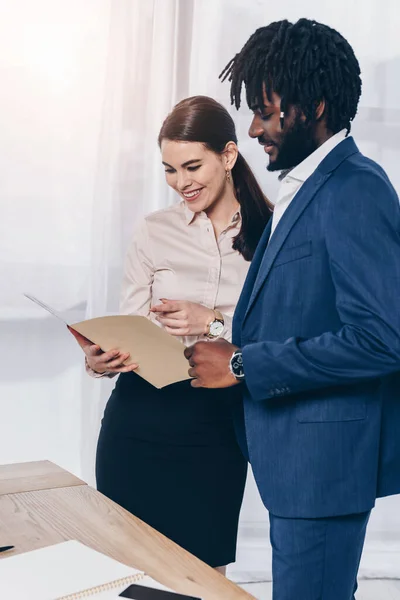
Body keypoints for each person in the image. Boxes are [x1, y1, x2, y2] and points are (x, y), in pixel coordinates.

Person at [184, 19, 400, 599]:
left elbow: (382, 338)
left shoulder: (355, 188)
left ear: (316, 105)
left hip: (323, 469)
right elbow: (301, 312)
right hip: (296, 464)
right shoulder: (303, 186)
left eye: (264, 110)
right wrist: (215, 331)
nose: (253, 128)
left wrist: (242, 365)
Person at [70, 95, 272, 571]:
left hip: (216, 425)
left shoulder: (272, 232)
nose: (181, 183)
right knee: (130, 573)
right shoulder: (153, 231)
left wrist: (213, 323)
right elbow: (132, 324)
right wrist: (101, 360)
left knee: (201, 576)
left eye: (192, 166)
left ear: (227, 156)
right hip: (137, 419)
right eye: (169, 169)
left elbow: (278, 341)